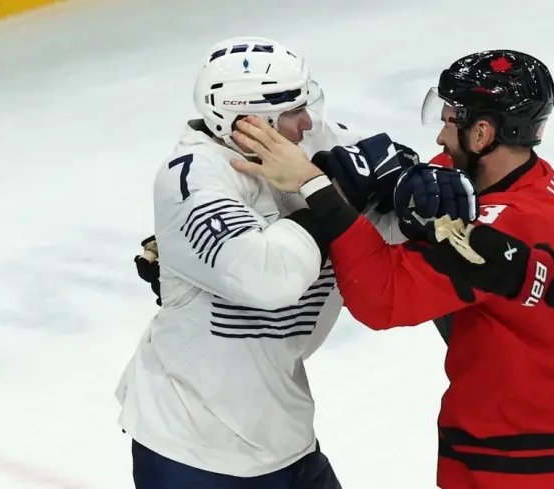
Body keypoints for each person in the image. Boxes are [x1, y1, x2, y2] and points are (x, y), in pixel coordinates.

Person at [228, 49, 554, 489]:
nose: (439, 135)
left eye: (451, 119)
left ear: (483, 133)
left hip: (550, 463)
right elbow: (426, 182)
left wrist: (313, 185)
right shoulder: (524, 178)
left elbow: (382, 297)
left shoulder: (500, 232)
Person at [116, 36, 474, 489]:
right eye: (292, 112)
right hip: (192, 446)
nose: (308, 122)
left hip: (283, 434)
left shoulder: (306, 139)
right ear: (247, 120)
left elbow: (383, 200)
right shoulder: (192, 177)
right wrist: (330, 196)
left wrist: (411, 186)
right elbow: (272, 278)